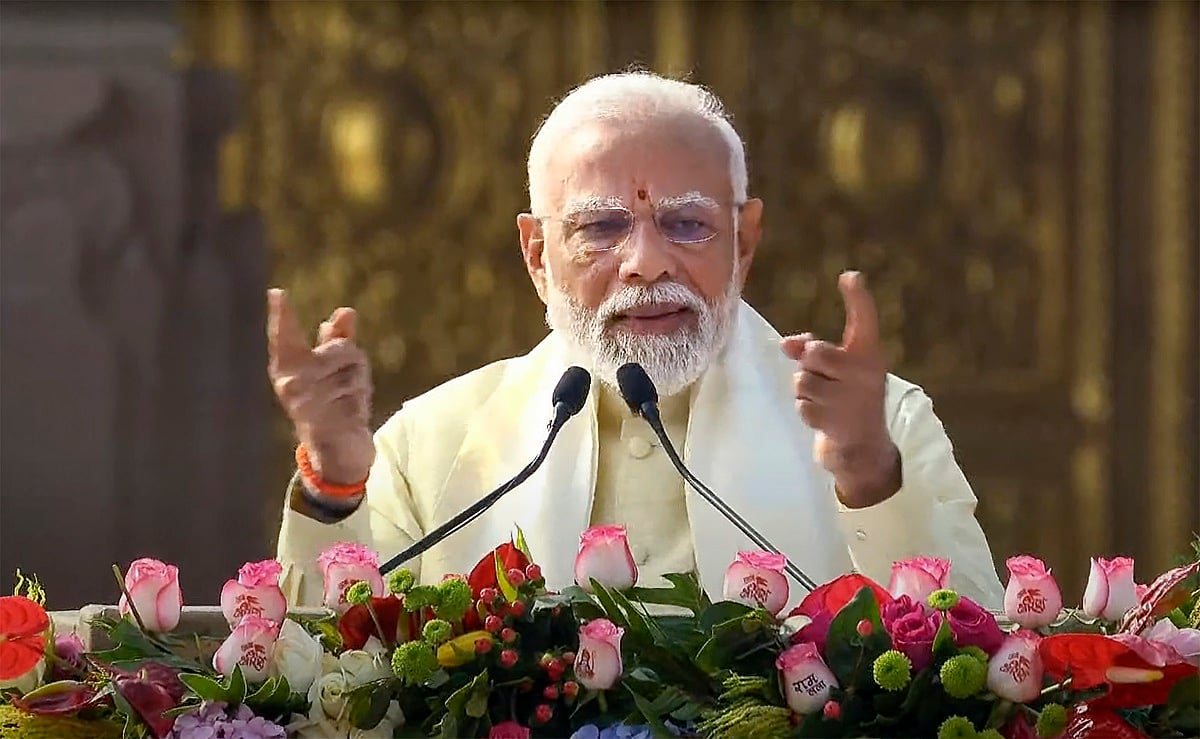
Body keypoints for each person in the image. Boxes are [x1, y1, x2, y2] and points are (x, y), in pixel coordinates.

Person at [270, 72, 1004, 609]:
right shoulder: (431, 445)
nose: (647, 262)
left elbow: (985, 676)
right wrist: (334, 486)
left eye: (687, 224)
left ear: (744, 243)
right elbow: (325, 689)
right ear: (535, 255)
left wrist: (871, 478)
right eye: (600, 227)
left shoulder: (890, 429)